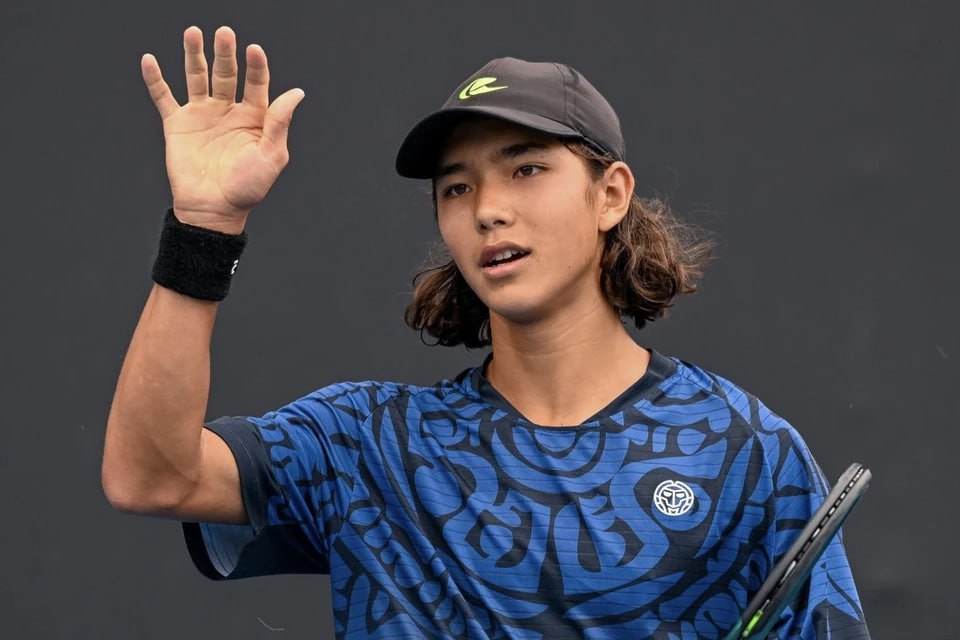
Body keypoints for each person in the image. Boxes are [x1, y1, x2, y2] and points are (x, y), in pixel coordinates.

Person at [102, 25, 871, 639]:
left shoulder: (744, 450)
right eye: (457, 188)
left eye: (526, 169)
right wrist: (205, 228)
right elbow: (151, 477)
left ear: (610, 195)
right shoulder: (367, 445)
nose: (488, 210)